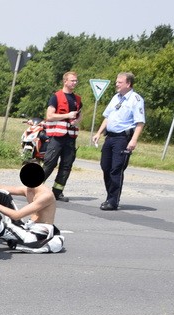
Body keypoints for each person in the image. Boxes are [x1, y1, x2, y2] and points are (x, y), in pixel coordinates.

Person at [91, 72, 145, 211]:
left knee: (116, 169)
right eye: (116, 82)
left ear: (128, 84)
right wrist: (99, 132)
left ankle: (113, 200)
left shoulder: (135, 99)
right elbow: (108, 116)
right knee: (105, 166)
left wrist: (133, 140)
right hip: (110, 137)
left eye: (120, 82)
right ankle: (110, 196)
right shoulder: (116, 98)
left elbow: (140, 122)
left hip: (123, 138)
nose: (116, 84)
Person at [0, 163, 65, 253]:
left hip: (37, 235)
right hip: (28, 227)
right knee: (1, 193)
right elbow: (0, 187)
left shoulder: (46, 195)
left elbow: (16, 215)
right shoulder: (29, 189)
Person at [42, 71, 81, 202]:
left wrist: (76, 120)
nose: (75, 83)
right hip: (57, 137)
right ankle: (35, 187)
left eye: (76, 80)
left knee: (66, 165)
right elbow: (50, 116)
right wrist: (67, 115)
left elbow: (79, 114)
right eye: (72, 80)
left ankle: (57, 192)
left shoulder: (77, 99)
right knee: (49, 163)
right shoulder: (56, 97)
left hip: (70, 138)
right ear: (65, 81)